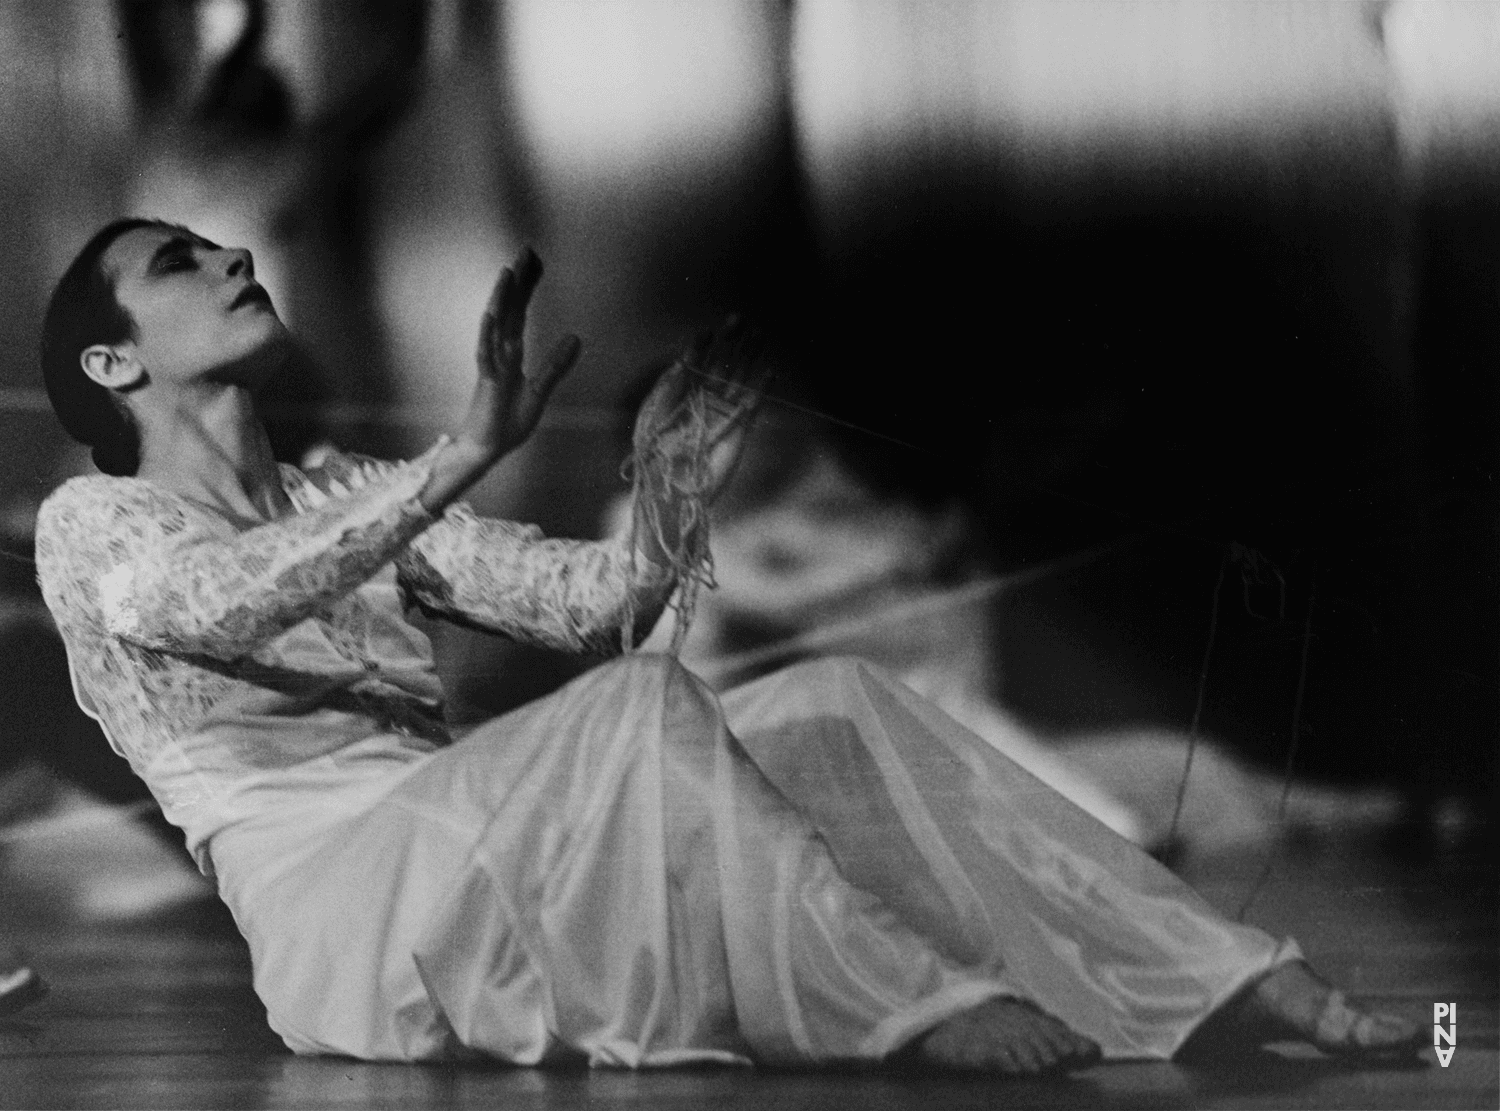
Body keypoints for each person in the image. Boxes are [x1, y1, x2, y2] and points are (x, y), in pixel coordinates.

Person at [32, 218, 1419, 1073]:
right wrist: (461, 454)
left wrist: (683, 455)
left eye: (219, 245)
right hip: (346, 918)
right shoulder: (90, 520)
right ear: (112, 363)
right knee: (633, 710)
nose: (232, 256)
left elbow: (600, 599)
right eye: (179, 262)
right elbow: (214, 605)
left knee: (829, 699)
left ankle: (1227, 977)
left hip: (467, 858)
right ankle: (906, 1005)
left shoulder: (341, 485)